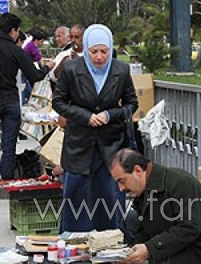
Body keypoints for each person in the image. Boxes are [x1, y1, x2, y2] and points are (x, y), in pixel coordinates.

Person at [52, 24, 138, 232]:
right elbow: (59, 102)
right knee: (77, 197)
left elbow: (132, 104)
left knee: (109, 197)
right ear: (86, 48)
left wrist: (110, 115)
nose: (99, 57)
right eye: (94, 52)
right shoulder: (72, 69)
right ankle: (74, 243)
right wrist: (85, 117)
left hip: (111, 145)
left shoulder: (121, 70)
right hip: (79, 144)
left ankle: (109, 246)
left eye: (104, 52)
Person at [110, 149, 201, 264]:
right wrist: (130, 256)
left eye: (122, 181)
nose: (120, 188)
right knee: (130, 220)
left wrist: (149, 249)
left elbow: (189, 228)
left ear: (138, 171)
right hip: (183, 246)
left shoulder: (180, 182)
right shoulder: (142, 190)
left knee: (160, 261)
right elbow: (143, 231)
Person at [0, 13, 53, 179]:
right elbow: (35, 76)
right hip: (10, 101)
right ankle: (6, 182)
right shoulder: (15, 50)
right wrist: (47, 68)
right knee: (8, 146)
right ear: (13, 31)